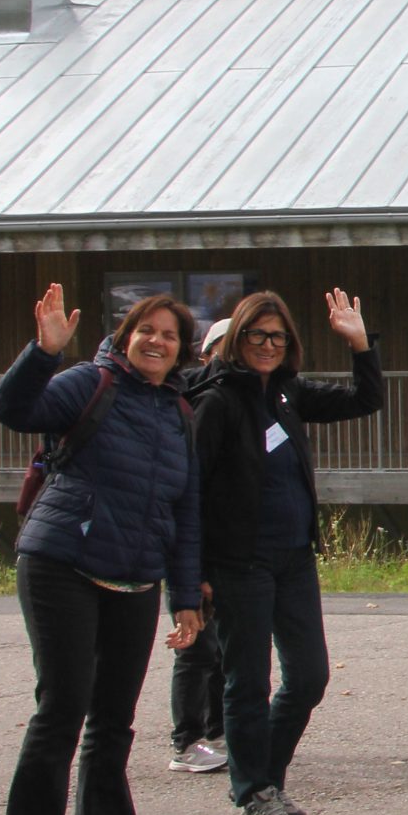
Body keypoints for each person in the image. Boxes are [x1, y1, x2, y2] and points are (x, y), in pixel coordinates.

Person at [0, 285, 205, 815]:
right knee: (62, 710)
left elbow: (184, 512)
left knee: (114, 717)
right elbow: (14, 409)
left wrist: (186, 598)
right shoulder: (89, 382)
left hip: (137, 579)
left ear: (180, 351)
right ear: (126, 335)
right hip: (63, 564)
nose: (157, 341)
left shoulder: (177, 413)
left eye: (169, 335)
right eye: (147, 330)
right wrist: (43, 352)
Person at [186, 289, 383, 815]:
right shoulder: (218, 401)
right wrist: (193, 571)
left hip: (293, 558)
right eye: (257, 336)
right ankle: (252, 796)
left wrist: (360, 342)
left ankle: (264, 782)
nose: (268, 346)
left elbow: (365, 400)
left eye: (277, 337)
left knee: (309, 676)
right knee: (246, 682)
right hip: (238, 562)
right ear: (237, 340)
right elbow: (191, 490)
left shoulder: (290, 394)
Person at [167, 319, 235, 776]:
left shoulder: (244, 402)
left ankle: (216, 731)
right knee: (196, 646)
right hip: (194, 543)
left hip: (232, 547)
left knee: (222, 649)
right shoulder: (192, 405)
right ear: (207, 354)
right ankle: (185, 739)